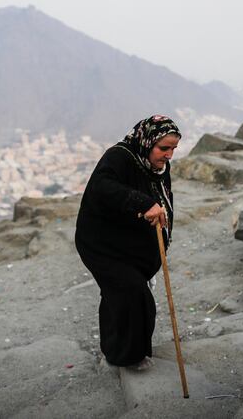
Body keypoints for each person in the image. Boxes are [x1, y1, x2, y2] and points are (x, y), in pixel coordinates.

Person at [75, 115, 181, 370]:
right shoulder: (119, 157)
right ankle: (127, 357)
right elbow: (102, 187)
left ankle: (116, 349)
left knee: (118, 296)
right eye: (163, 148)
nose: (169, 155)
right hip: (101, 244)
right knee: (133, 296)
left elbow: (162, 199)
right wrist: (143, 204)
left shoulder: (157, 167)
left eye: (173, 149)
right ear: (147, 142)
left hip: (128, 246)